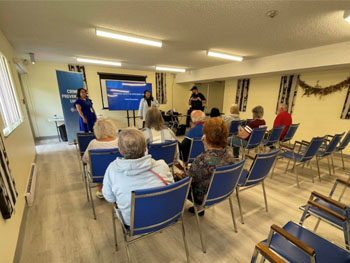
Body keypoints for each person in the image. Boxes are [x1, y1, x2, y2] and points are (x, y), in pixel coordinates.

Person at [102, 128, 174, 226]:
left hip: (132, 223)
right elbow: (171, 189)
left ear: (120, 150)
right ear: (145, 148)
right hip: (164, 217)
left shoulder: (112, 169)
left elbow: (109, 198)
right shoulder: (162, 166)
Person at [184, 117, 235, 216]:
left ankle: (196, 207)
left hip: (202, 196)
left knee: (176, 179)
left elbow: (187, 179)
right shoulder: (229, 152)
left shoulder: (202, 159)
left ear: (206, 136)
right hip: (223, 191)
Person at [82, 118, 118, 199]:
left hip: (98, 174)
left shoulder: (93, 143)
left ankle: (101, 190)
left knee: (97, 165)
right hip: (117, 173)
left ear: (96, 130)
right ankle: (114, 189)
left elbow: (84, 160)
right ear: (113, 128)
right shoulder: (119, 141)